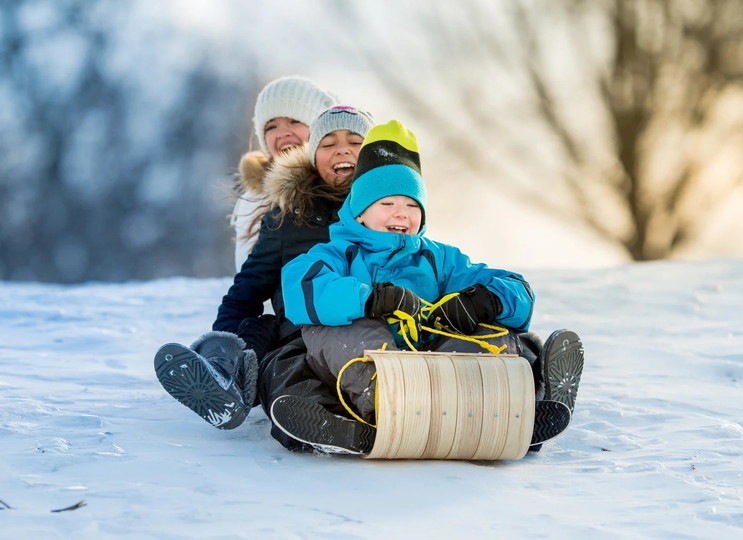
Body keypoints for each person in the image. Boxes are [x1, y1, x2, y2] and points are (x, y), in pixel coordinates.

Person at [271, 120, 586, 454]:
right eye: (387, 204)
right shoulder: (335, 255)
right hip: (370, 379)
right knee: (336, 329)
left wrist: (485, 301)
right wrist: (370, 299)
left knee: (494, 332)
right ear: (360, 213)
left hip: (438, 372)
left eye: (412, 206)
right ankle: (376, 414)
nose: (402, 214)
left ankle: (506, 409)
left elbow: (517, 288)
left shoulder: (439, 258)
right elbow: (301, 287)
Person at [154, 106, 377, 444]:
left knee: (347, 364)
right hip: (299, 332)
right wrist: (225, 342)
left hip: (368, 327)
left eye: (354, 141)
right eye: (328, 143)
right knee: (269, 349)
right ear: (313, 156)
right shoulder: (288, 216)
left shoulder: (389, 209)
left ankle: (358, 419)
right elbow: (248, 289)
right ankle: (228, 378)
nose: (342, 149)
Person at [232, 76, 337, 271]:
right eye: (271, 126)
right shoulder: (253, 199)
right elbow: (250, 277)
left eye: (295, 121)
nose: (282, 133)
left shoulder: (345, 189)